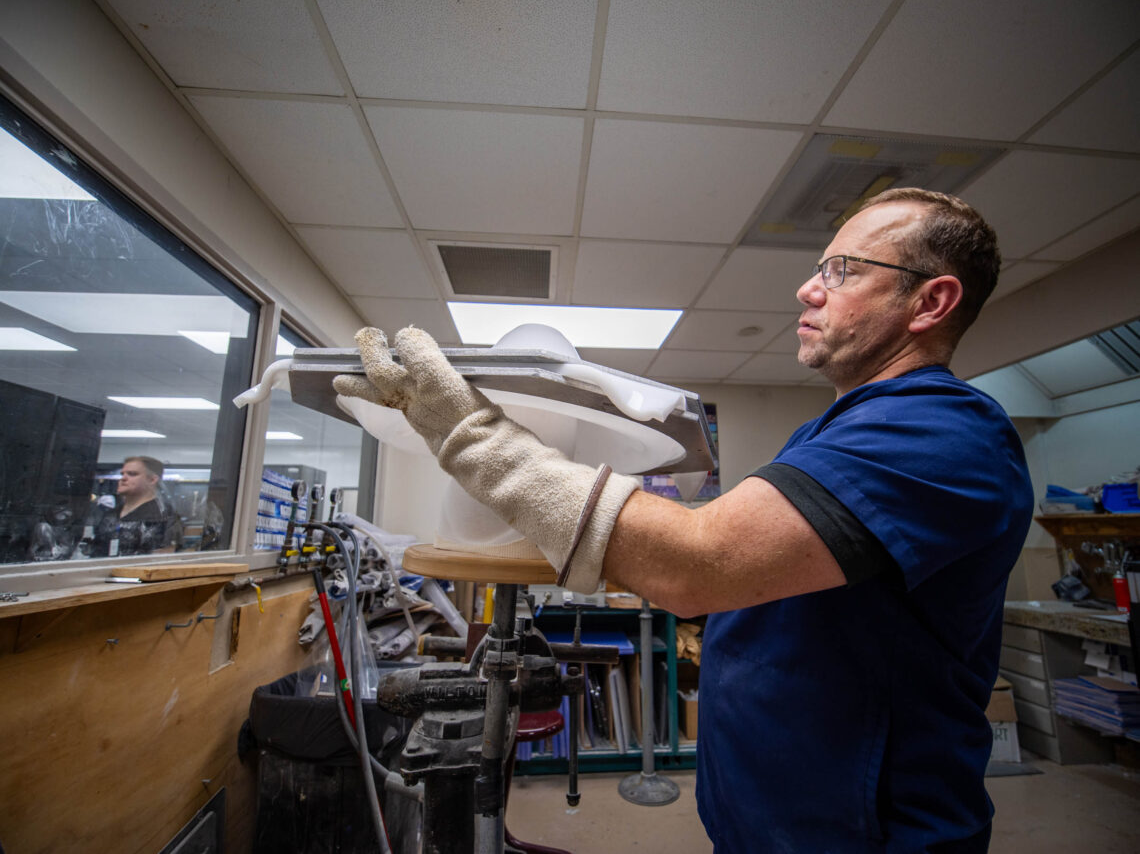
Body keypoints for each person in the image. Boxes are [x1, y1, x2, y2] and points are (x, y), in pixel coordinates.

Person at [333, 188, 1034, 853]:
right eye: (819, 268)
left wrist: (472, 435)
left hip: (864, 832)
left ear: (931, 300)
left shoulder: (940, 432)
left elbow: (701, 562)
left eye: (842, 270)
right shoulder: (835, 431)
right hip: (774, 818)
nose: (808, 288)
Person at [91, 455, 182, 557]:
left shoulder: (163, 517)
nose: (123, 478)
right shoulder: (111, 515)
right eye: (122, 474)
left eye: (132, 474)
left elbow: (162, 559)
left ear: (152, 480)